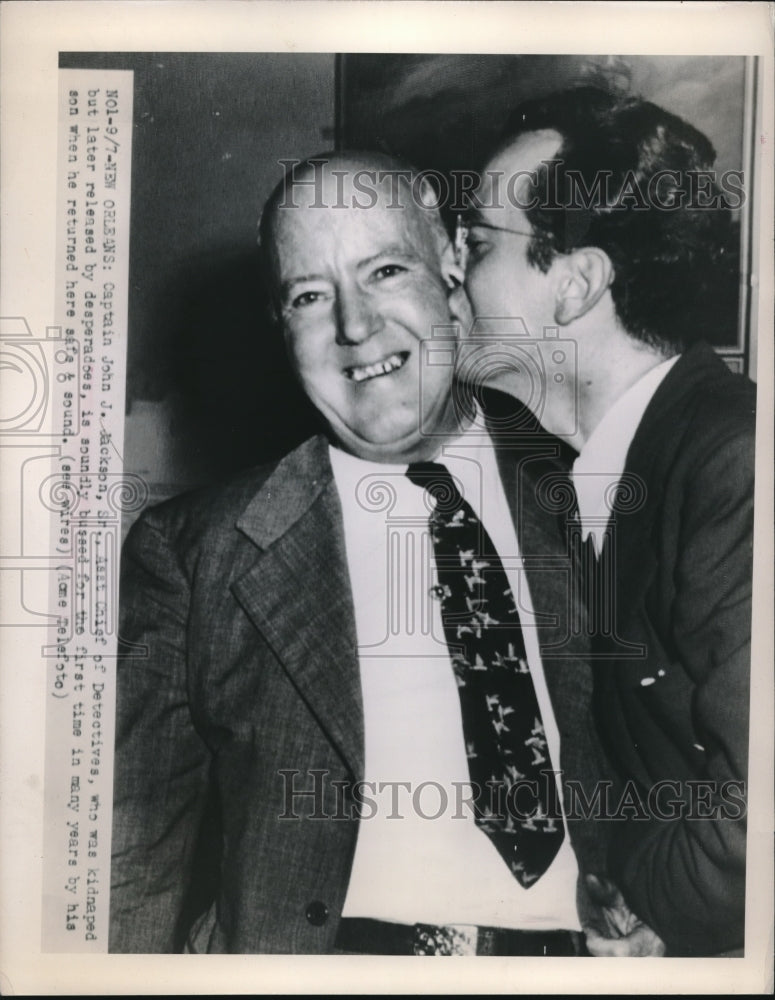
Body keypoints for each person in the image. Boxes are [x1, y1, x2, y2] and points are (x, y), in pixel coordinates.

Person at [109, 151, 642, 955]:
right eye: (310, 296)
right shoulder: (192, 556)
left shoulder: (601, 491)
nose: (354, 327)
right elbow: (130, 859)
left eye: (385, 270)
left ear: (453, 264)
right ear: (278, 325)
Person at [460, 87, 755, 957]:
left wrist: (655, 911)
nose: (450, 271)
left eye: (475, 244)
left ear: (578, 282)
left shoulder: (732, 461)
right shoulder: (610, 466)